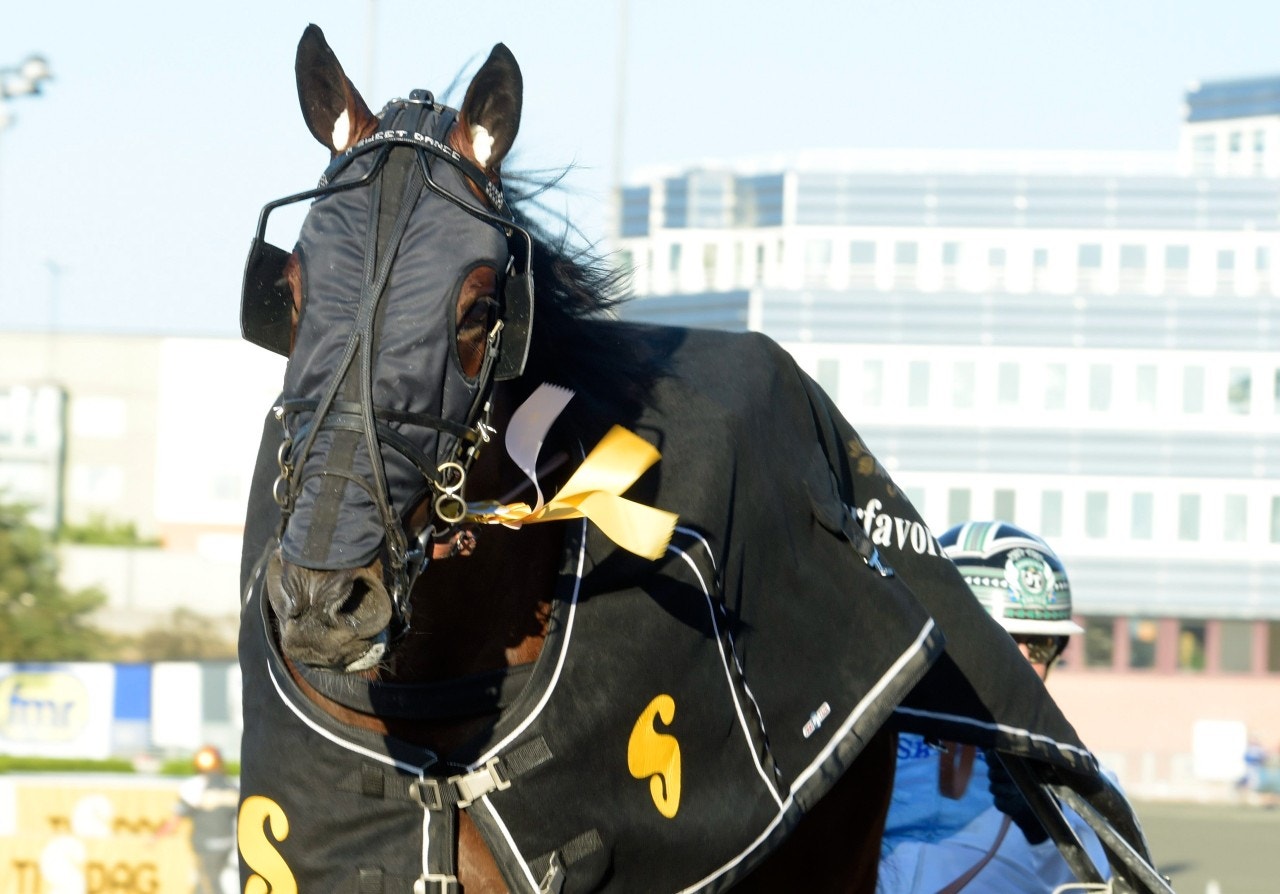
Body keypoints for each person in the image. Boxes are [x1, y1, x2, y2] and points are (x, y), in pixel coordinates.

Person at [878, 521, 1117, 893]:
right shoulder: (858, 734)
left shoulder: (1077, 777)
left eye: (1039, 645)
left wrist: (1048, 827)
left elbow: (1109, 880)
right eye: (999, 639)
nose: (1020, 663)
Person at [155, 746, 239, 894]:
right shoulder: (232, 786)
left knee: (208, 884)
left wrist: (156, 837)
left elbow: (176, 818)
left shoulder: (197, 786)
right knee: (205, 882)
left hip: (209, 845)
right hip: (224, 845)